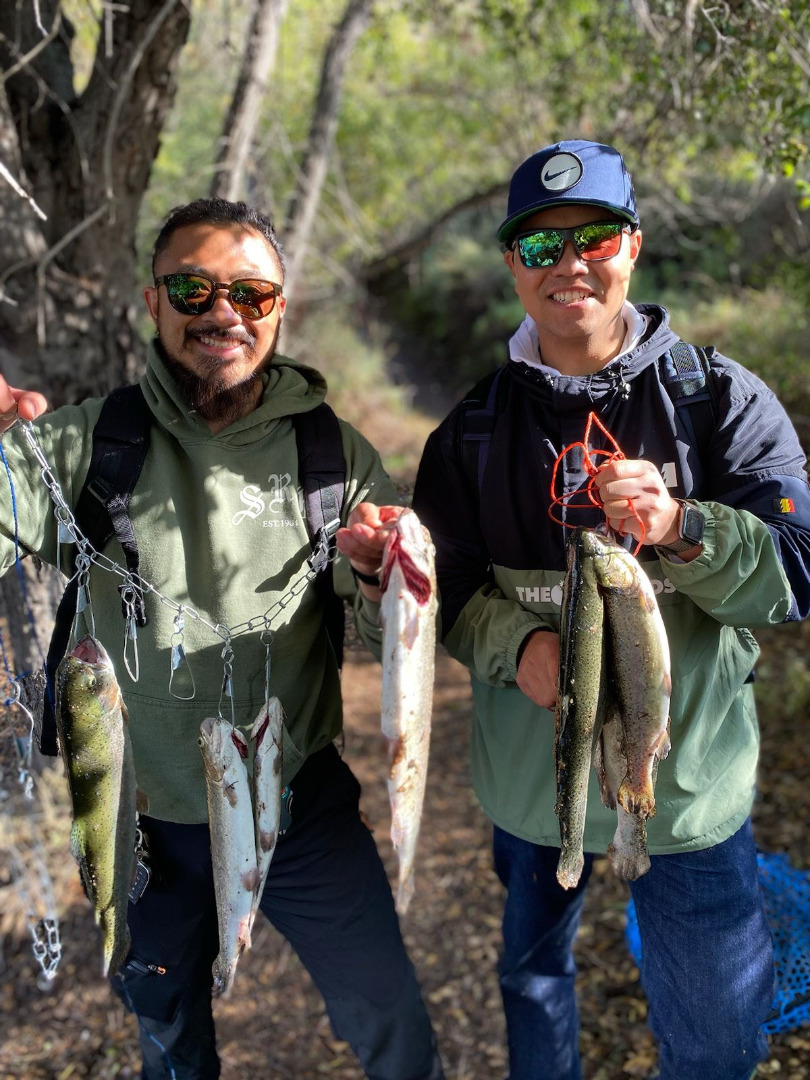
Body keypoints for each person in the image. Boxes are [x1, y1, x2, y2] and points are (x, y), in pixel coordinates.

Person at [0, 198, 444, 1080]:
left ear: (281, 307)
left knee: (388, 1012)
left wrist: (373, 571)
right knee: (167, 1031)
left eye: (252, 292)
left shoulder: (335, 455)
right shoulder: (91, 442)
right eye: (194, 288)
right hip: (140, 821)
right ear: (153, 301)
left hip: (302, 800)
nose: (223, 313)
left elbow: (387, 636)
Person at [412, 139, 810, 1080]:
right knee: (534, 976)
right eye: (541, 246)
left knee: (714, 1042)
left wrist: (683, 528)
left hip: (683, 797)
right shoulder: (471, 430)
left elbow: (796, 572)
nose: (569, 264)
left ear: (631, 245)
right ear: (513, 263)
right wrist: (520, 646)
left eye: (592, 236)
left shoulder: (719, 400)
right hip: (531, 796)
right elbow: (450, 591)